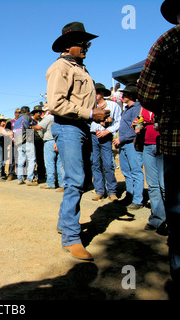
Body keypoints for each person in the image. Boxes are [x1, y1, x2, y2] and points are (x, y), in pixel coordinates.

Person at [46, 22, 110, 261]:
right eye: (82, 43)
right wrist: (92, 114)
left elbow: (81, 104)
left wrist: (97, 115)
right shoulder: (60, 67)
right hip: (68, 127)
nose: (86, 47)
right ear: (67, 45)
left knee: (81, 181)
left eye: (87, 43)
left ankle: (65, 224)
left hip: (81, 127)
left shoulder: (81, 68)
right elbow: (56, 105)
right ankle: (72, 238)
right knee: (75, 180)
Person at [137, 0, 180, 295]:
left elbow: (147, 92)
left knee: (177, 209)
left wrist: (165, 104)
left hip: (177, 140)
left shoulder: (169, 41)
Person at [112, 85, 144, 210]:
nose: (122, 96)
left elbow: (137, 129)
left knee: (136, 171)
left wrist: (121, 139)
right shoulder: (127, 109)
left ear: (131, 96)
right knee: (126, 171)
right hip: (124, 143)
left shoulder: (137, 109)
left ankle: (138, 200)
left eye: (124, 94)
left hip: (131, 143)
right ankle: (129, 196)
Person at [90, 83, 122, 202]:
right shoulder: (90, 107)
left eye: (97, 92)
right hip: (93, 135)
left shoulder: (113, 106)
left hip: (106, 136)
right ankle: (99, 190)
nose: (95, 94)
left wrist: (108, 130)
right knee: (95, 164)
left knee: (108, 164)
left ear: (102, 93)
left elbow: (119, 121)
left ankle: (112, 191)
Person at [33, 105, 64, 191]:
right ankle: (62, 184)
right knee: (60, 164)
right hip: (59, 140)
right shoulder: (60, 117)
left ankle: (51, 183)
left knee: (49, 163)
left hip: (49, 141)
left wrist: (31, 127)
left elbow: (38, 127)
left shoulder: (49, 117)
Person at [14, 106, 38, 186]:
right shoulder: (27, 117)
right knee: (32, 160)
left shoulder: (17, 120)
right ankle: (29, 179)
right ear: (27, 111)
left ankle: (19, 179)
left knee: (20, 161)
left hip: (19, 142)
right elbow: (30, 128)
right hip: (27, 141)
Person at [0, 115, 13, 182]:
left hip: (0, 145)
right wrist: (10, 133)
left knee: (1, 161)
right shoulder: (0, 128)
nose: (4, 122)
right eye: (3, 121)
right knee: (0, 161)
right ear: (0, 122)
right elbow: (6, 134)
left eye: (4, 121)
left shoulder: (0, 128)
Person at [7, 108, 21, 181]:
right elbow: (7, 131)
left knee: (20, 158)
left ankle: (20, 174)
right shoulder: (11, 122)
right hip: (13, 142)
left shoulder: (22, 121)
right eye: (17, 112)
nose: (19, 114)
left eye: (20, 112)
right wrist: (11, 138)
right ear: (15, 113)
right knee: (12, 158)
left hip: (21, 142)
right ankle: (11, 174)